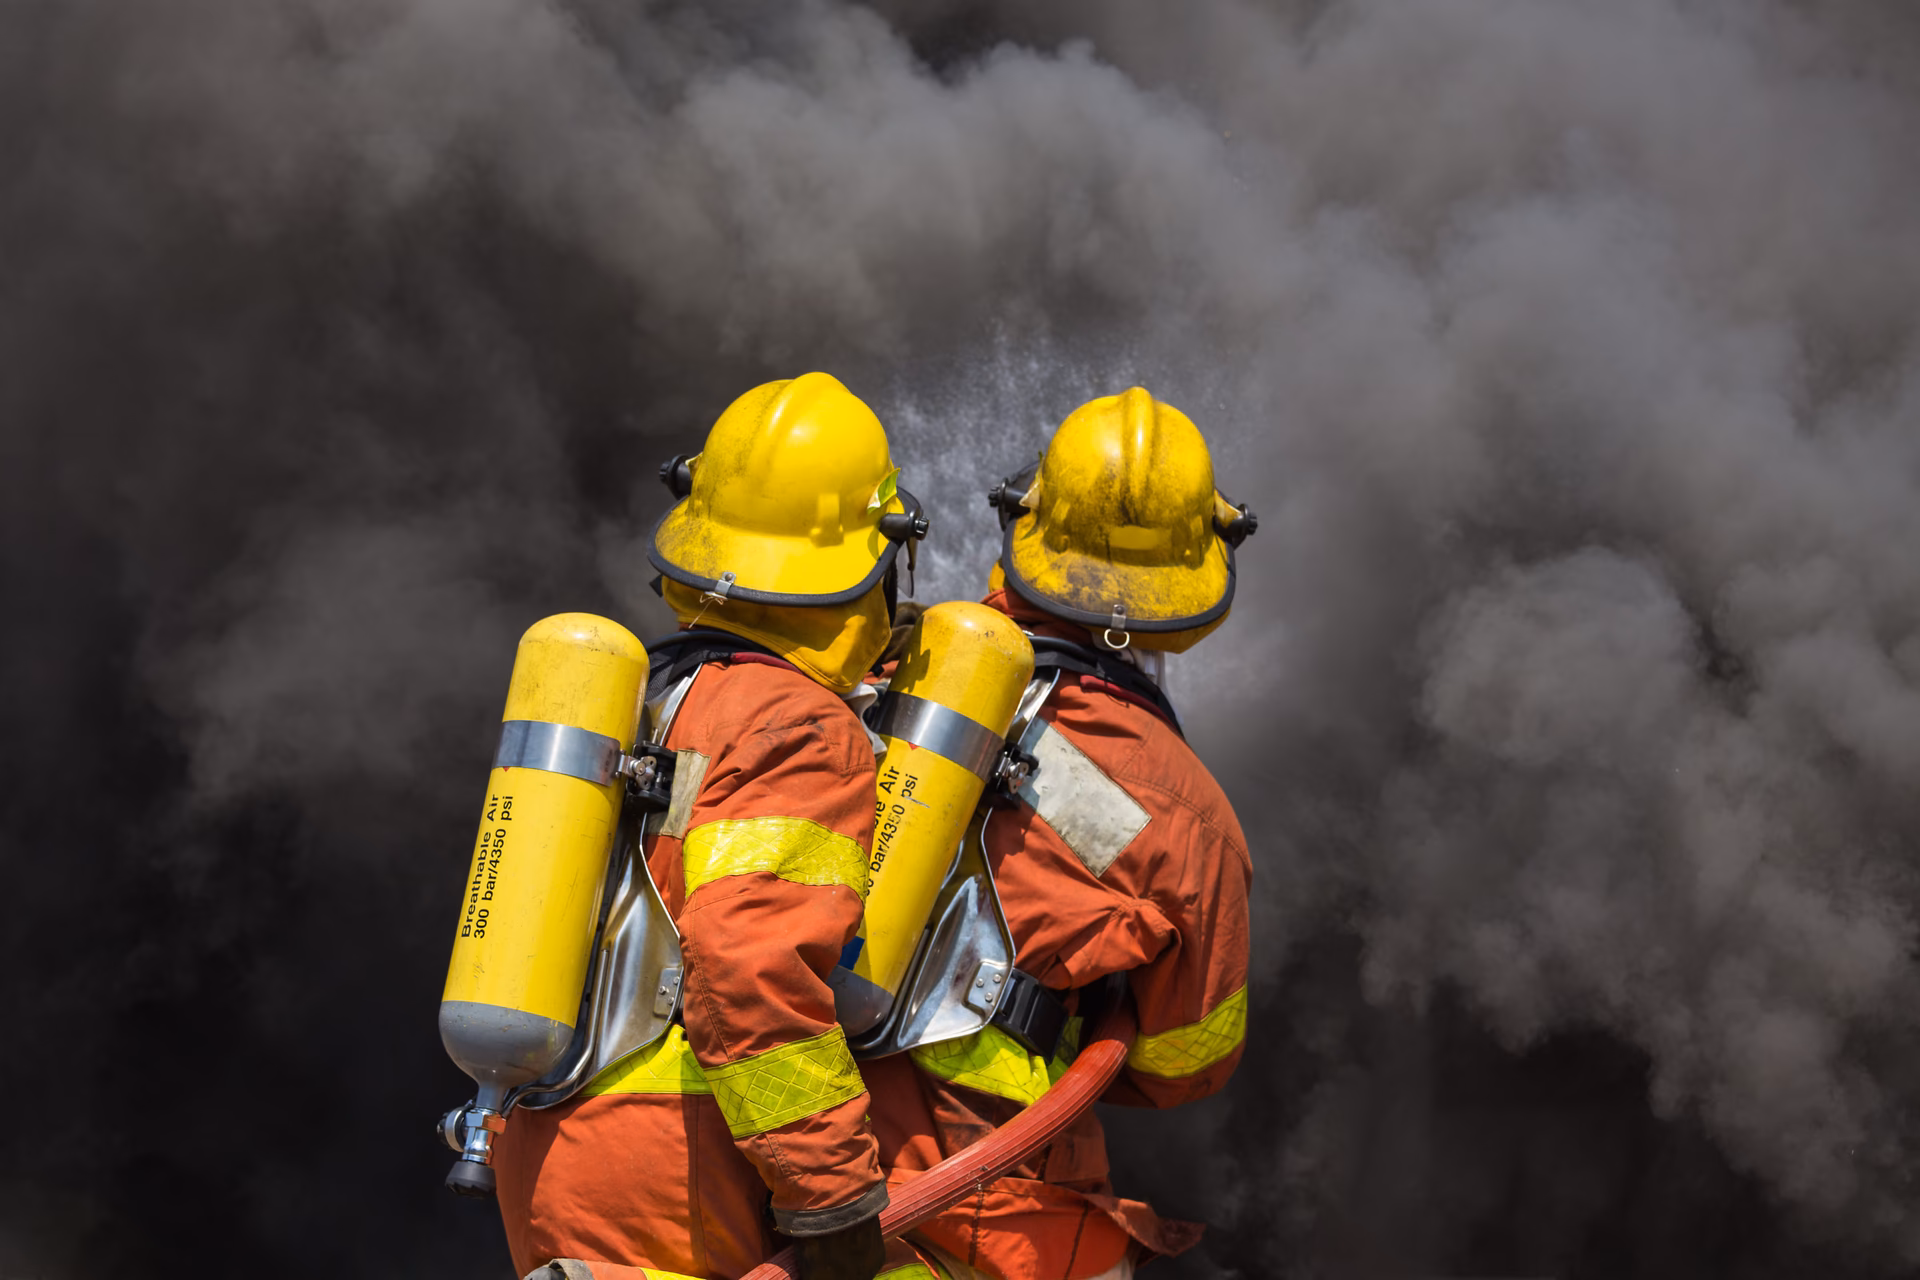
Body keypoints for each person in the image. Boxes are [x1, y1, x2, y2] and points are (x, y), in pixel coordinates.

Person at [493, 372, 930, 1280]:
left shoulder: (646, 696)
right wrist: (834, 1202)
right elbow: (751, 972)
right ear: (878, 557)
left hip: (552, 1148)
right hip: (684, 1166)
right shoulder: (802, 727)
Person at [861, 387, 1255, 1280]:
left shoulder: (888, 671)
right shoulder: (1185, 814)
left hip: (783, 1142)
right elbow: (1186, 1060)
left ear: (1025, 522)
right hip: (987, 1191)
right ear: (1198, 579)